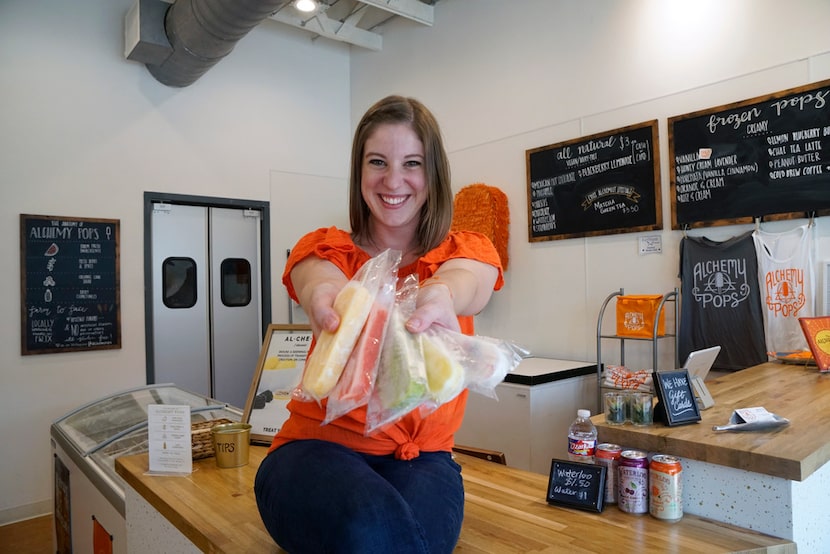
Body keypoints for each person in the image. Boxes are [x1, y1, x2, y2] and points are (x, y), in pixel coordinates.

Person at [254, 95, 504, 553]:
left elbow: (471, 281)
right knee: (370, 527)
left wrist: (441, 293)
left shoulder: (463, 252)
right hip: (312, 453)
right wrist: (324, 295)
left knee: (409, 541)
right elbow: (314, 275)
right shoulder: (328, 248)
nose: (393, 180)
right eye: (377, 162)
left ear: (433, 175)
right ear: (359, 172)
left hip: (423, 460)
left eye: (412, 163)